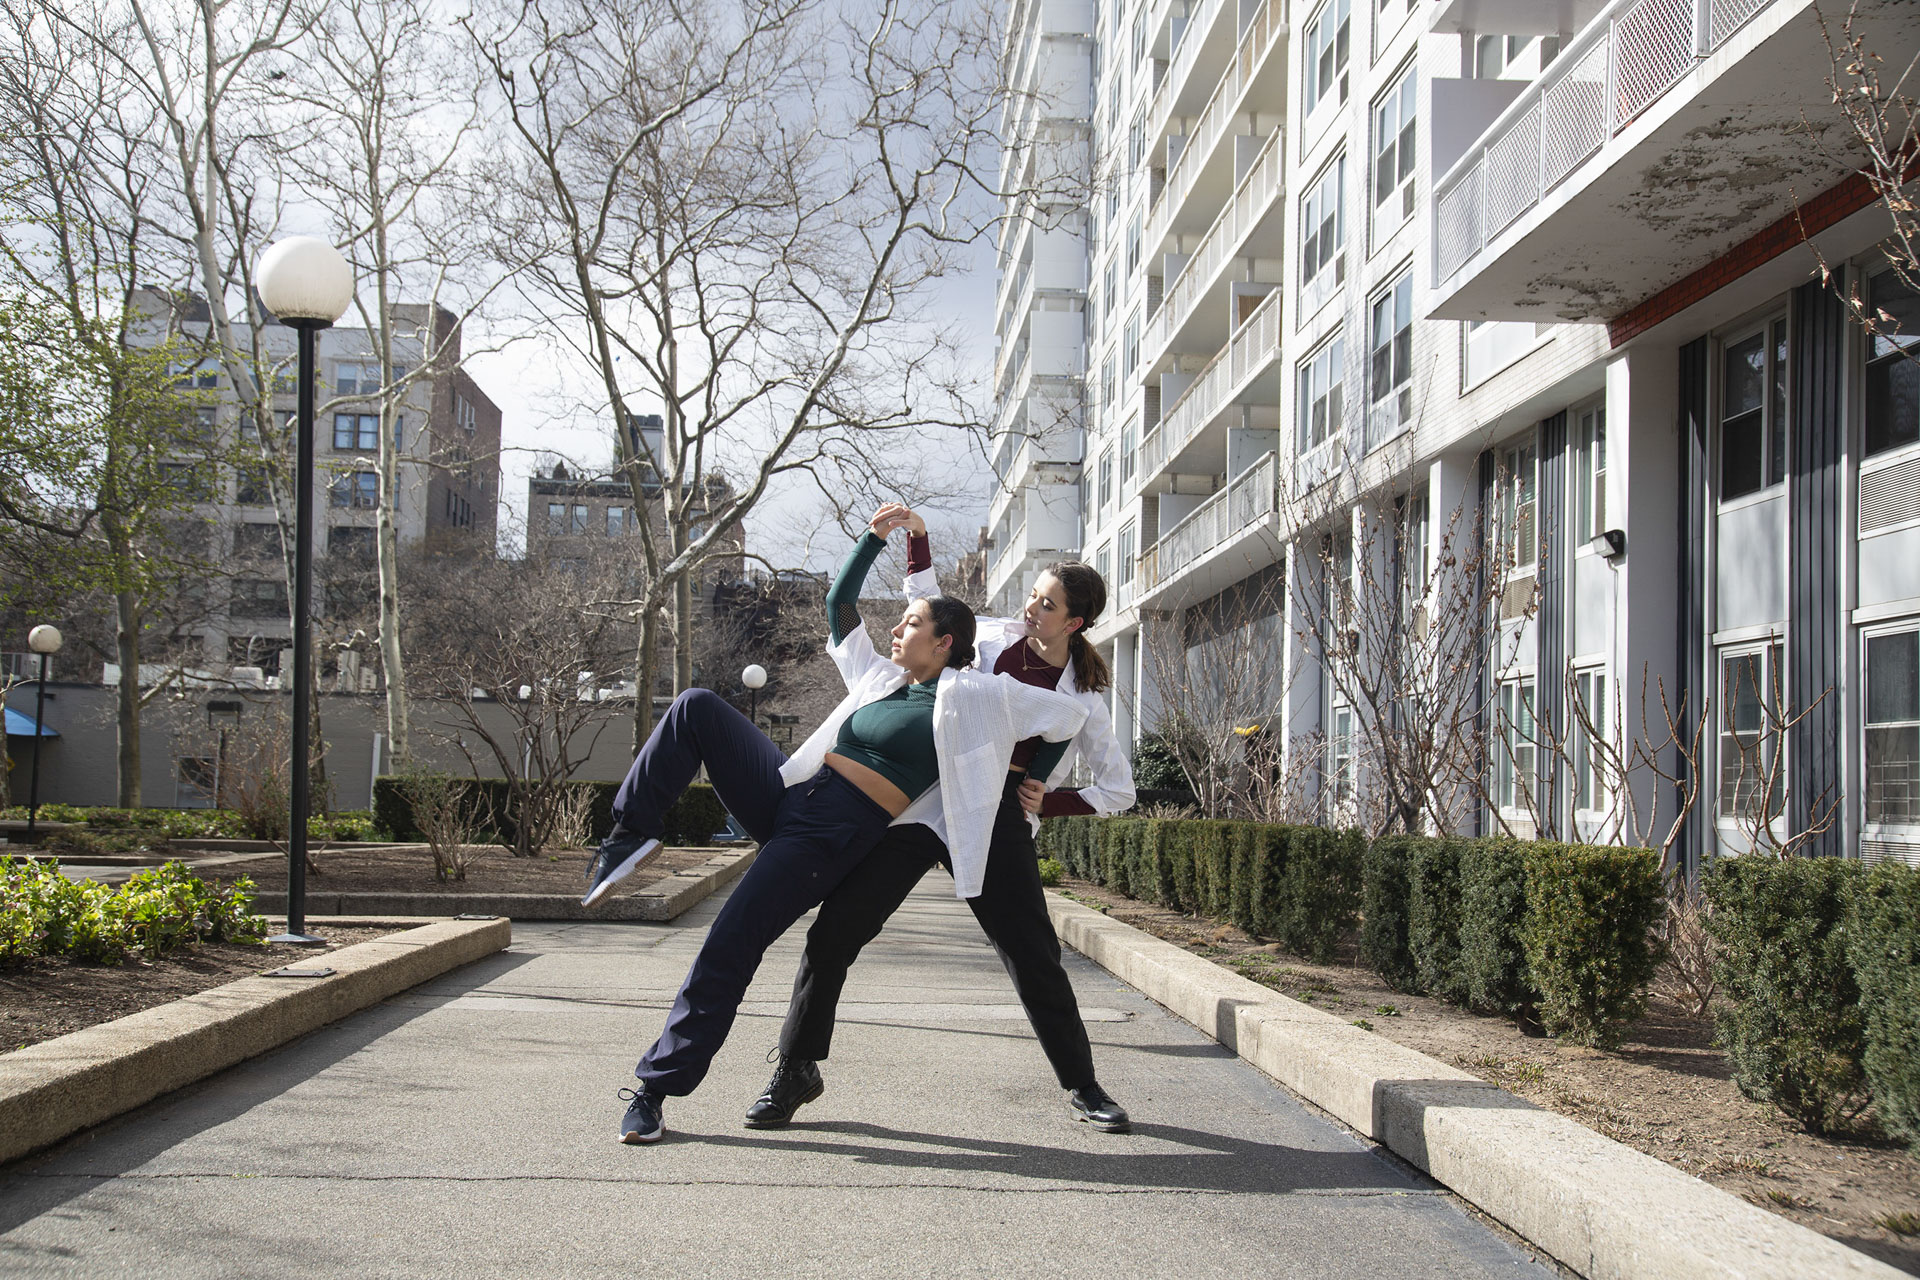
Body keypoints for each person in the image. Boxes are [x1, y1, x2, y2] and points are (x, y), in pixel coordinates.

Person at [589, 504, 1090, 1145]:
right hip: (791, 796)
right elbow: (838, 606)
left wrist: (1035, 781)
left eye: (910, 623)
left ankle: (654, 1090)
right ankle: (629, 835)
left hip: (830, 835)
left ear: (946, 643)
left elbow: (1065, 719)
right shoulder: (878, 676)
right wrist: (874, 538)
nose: (895, 631)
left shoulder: (976, 698)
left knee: (731, 943)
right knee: (696, 708)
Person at [745, 511, 1137, 1134]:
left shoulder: (1083, 696)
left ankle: (1084, 1085)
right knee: (836, 932)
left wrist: (1048, 799)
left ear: (1075, 622)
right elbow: (924, 602)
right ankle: (795, 1070)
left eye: (1047, 604)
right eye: (1034, 596)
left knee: (1031, 953)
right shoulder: (985, 639)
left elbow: (1118, 788)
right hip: (923, 800)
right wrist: (916, 537)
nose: (1032, 609)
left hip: (993, 815)